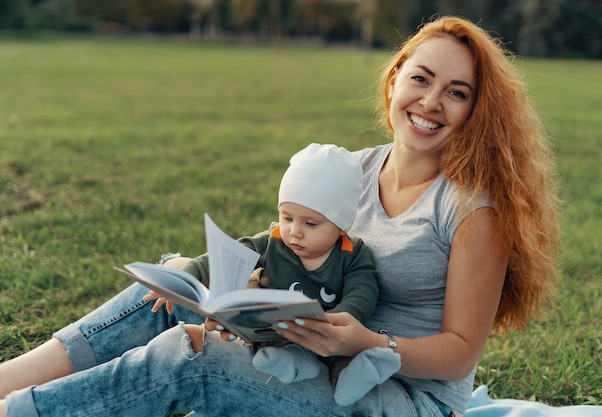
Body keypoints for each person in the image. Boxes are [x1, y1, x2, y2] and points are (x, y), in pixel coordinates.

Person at [0, 15, 559, 417]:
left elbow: (460, 355)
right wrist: (238, 290)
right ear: (394, 80)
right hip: (309, 352)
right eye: (421, 78)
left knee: (192, 356)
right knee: (169, 286)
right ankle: (10, 382)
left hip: (402, 396)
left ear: (475, 112)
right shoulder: (354, 170)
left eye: (456, 92)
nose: (431, 101)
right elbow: (294, 248)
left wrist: (364, 343)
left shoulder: (471, 210)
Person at [153, 142, 398, 406]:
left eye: (310, 223)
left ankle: (355, 377)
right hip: (279, 335)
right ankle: (291, 361)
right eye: (287, 217)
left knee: (344, 357)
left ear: (341, 226)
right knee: (269, 344)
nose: (295, 231)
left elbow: (363, 290)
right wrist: (183, 279)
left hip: (328, 335)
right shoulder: (274, 240)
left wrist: (342, 318)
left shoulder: (352, 254)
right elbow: (225, 256)